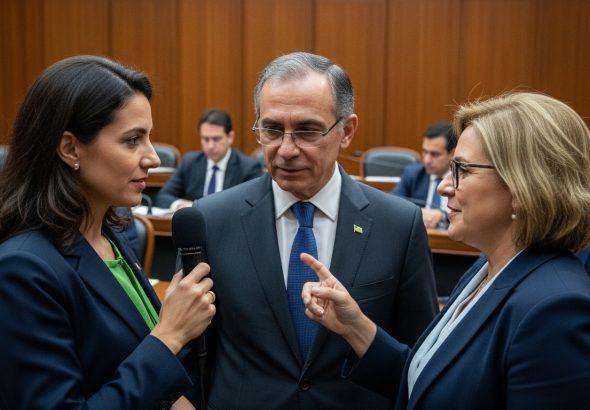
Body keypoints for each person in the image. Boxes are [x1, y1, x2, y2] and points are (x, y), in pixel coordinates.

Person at [302, 92, 590, 409]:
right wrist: (354, 326)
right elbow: (427, 382)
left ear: (523, 186)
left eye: (463, 170)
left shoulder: (555, 310)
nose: (443, 186)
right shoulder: (486, 270)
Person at [194, 52, 438, 409]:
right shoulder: (213, 219)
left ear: (347, 131)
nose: (287, 149)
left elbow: (420, 360)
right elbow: (193, 352)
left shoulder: (397, 225)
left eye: (307, 130)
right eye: (272, 129)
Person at [0, 56, 216, 409]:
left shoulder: (111, 235)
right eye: (132, 140)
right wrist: (170, 335)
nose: (151, 157)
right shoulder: (21, 269)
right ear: (70, 148)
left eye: (149, 138)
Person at [155, 108, 262, 209]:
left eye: (216, 139)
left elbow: (253, 204)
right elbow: (163, 196)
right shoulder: (190, 162)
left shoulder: (248, 167)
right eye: (206, 139)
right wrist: (181, 205)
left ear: (230, 137)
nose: (210, 145)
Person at [392, 122, 457, 229]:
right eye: (425, 152)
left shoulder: (463, 179)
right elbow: (393, 205)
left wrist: (443, 216)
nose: (427, 160)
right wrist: (417, 213)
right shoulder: (413, 174)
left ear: (452, 153)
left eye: (435, 154)